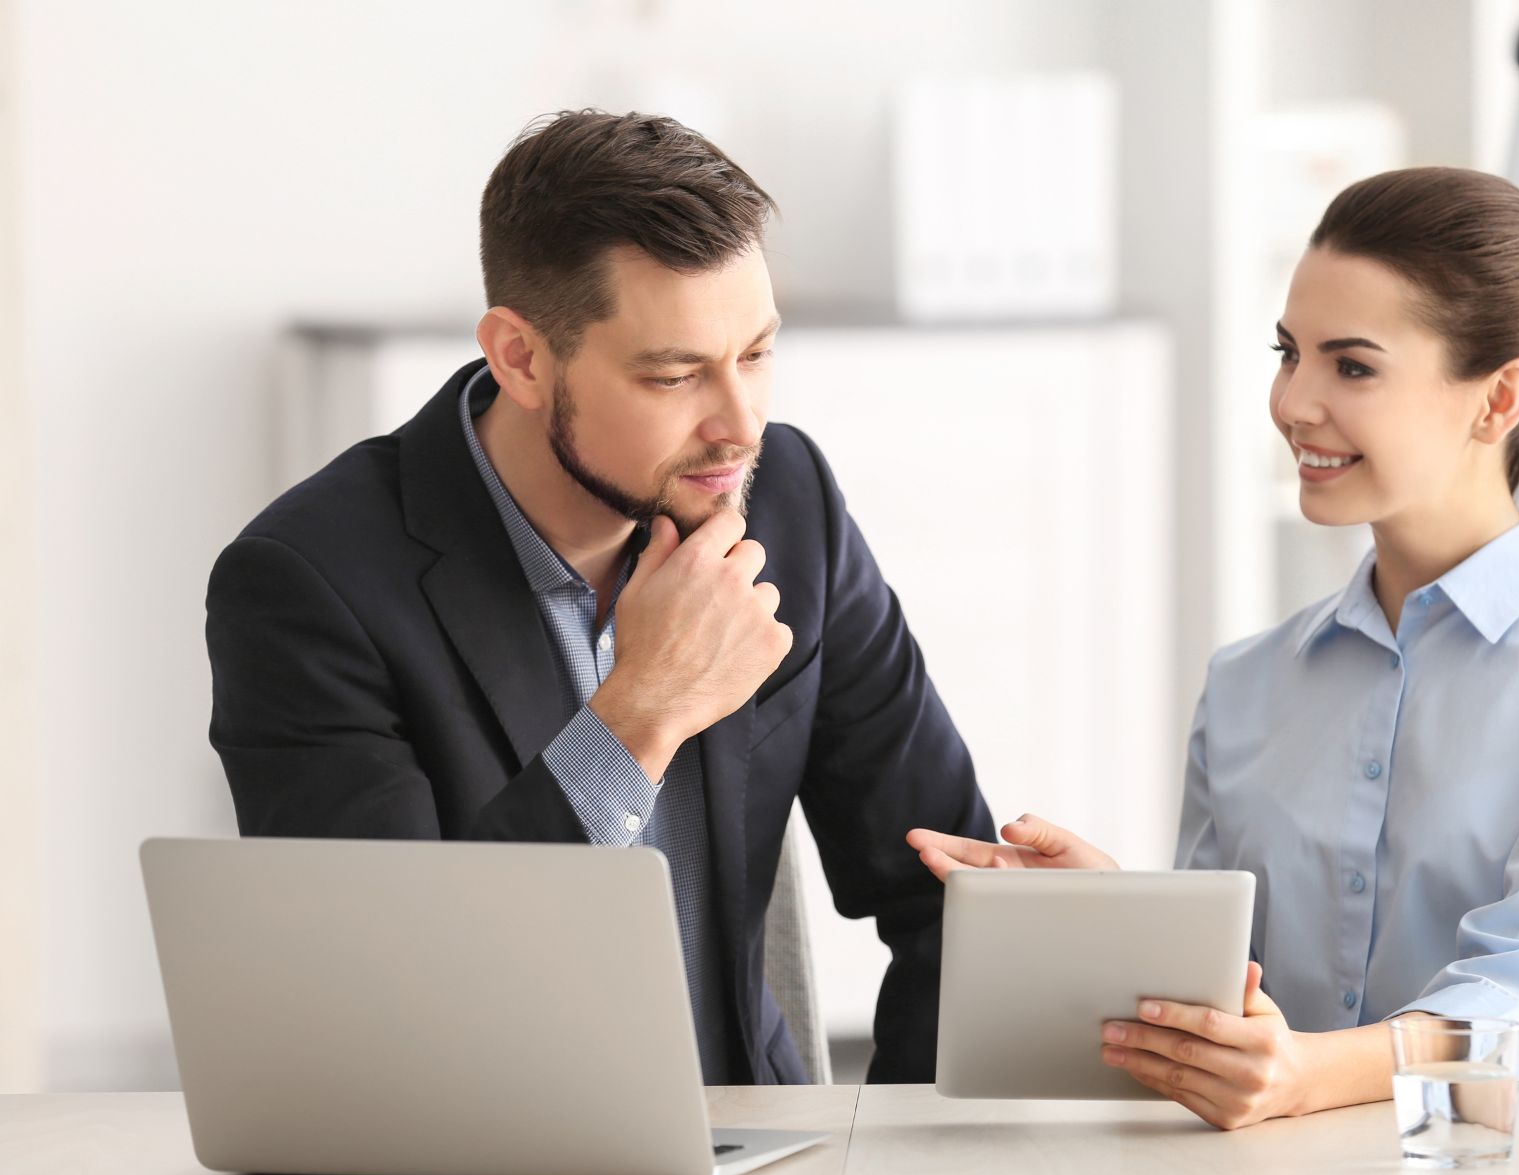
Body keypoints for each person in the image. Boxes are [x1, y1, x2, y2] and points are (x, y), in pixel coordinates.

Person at [909, 167, 1519, 1130]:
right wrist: (1120, 923)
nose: (1292, 402)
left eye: (1352, 366)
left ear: (1499, 400)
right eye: (1287, 353)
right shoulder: (1248, 682)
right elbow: (1242, 1016)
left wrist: (1308, 1073)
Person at [205, 111, 993, 1087]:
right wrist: (638, 716)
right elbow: (392, 1001)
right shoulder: (310, 584)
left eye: (756, 354)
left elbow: (957, 904)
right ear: (522, 358)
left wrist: (890, 1166)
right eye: (675, 375)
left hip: (763, 1165)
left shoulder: (791, 504)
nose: (742, 423)